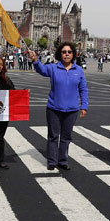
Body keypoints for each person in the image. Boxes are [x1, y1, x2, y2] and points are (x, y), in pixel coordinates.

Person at [28, 41, 88, 171]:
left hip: (72, 110)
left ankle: (62, 160)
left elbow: (83, 89)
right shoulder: (53, 68)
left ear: (73, 54)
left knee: (66, 137)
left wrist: (84, 106)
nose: (67, 54)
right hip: (54, 108)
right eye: (64, 52)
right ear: (60, 54)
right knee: (53, 136)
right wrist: (35, 60)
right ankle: (52, 161)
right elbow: (42, 70)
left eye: (69, 52)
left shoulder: (78, 70)